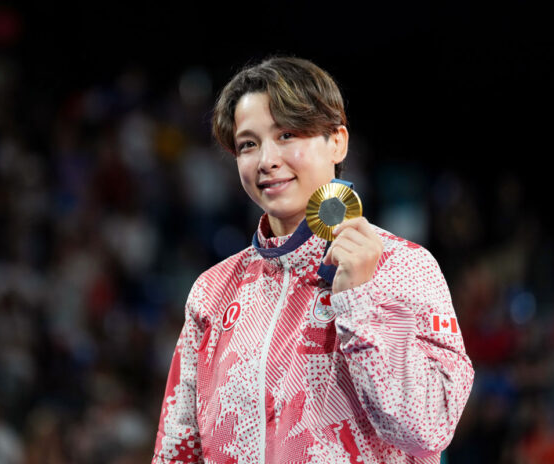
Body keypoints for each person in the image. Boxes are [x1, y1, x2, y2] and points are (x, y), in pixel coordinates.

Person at [152, 56, 474, 464]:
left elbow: (429, 429)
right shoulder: (213, 291)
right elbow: (177, 450)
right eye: (248, 144)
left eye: (286, 135)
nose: (266, 160)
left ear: (337, 141)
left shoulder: (405, 267)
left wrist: (359, 300)